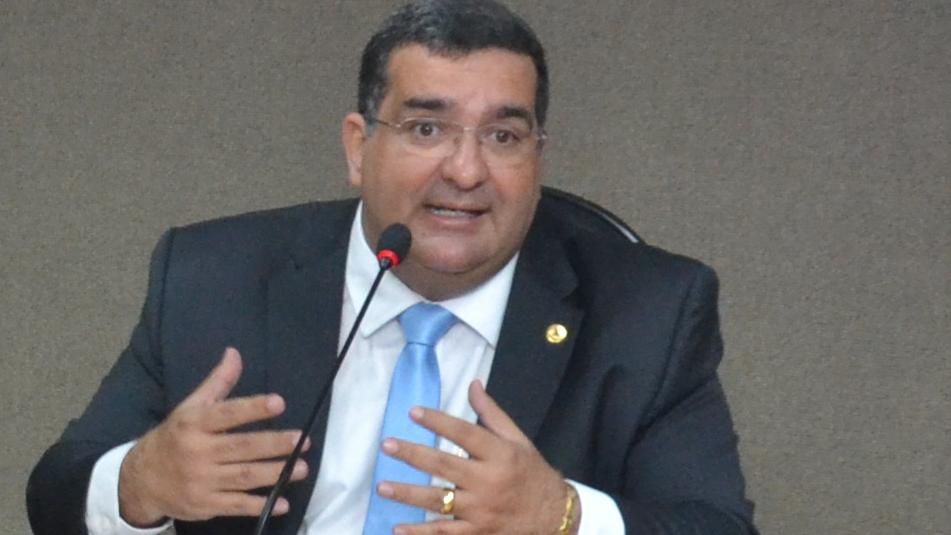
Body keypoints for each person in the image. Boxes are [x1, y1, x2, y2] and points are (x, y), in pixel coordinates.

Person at [27, 1, 756, 533]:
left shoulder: (649, 311)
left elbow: (716, 525)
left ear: (537, 158)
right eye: (426, 128)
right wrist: (140, 481)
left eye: (503, 136)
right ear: (358, 147)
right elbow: (56, 490)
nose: (465, 170)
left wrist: (561, 516)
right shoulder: (217, 275)